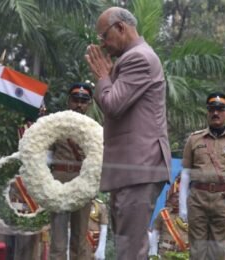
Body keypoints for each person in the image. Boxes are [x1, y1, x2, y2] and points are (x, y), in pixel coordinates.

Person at [85, 7, 171, 259]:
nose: (102, 44)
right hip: (132, 169)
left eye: (104, 36)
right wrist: (109, 75)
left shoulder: (139, 58)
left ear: (121, 28)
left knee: (131, 250)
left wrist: (102, 76)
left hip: (139, 168)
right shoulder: (132, 58)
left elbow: (112, 104)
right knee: (126, 246)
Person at [179, 92, 225, 260]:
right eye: (212, 109)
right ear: (207, 112)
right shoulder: (194, 139)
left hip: (224, 201)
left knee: (218, 251)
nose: (216, 113)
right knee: (196, 251)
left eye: (220, 109)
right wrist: (183, 206)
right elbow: (186, 174)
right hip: (198, 200)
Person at [49, 82, 93, 260]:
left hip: (82, 180)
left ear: (88, 104)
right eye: (75, 100)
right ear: (69, 101)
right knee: (58, 237)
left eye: (83, 101)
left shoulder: (94, 129)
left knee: (80, 236)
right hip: (59, 180)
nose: (79, 105)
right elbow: (47, 153)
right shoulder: (56, 123)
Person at [149, 176, 188, 257]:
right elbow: (155, 232)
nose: (178, 199)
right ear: (169, 198)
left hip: (185, 254)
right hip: (165, 254)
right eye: (175, 197)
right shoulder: (163, 213)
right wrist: (153, 253)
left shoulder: (191, 214)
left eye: (180, 197)